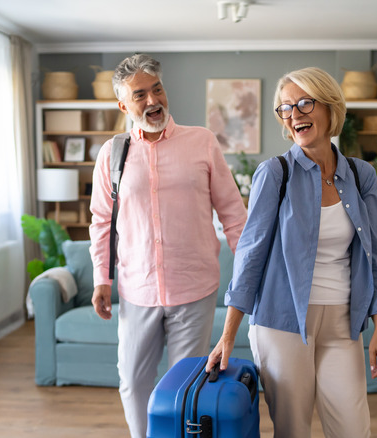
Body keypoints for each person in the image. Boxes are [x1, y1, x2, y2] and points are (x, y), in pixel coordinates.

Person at [207, 67, 377, 438]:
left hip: (343, 320)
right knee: (292, 431)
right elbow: (250, 255)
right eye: (286, 108)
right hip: (281, 323)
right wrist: (228, 334)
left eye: (304, 103)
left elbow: (374, 254)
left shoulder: (360, 175)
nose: (294, 114)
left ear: (329, 107)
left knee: (353, 429)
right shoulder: (275, 173)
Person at [88, 54, 247, 438]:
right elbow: (101, 221)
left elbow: (233, 214)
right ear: (124, 105)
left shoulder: (202, 142)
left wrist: (249, 274)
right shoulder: (113, 153)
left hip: (194, 290)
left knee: (187, 387)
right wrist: (100, 279)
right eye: (139, 95)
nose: (152, 100)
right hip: (137, 290)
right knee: (133, 383)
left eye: (157, 89)